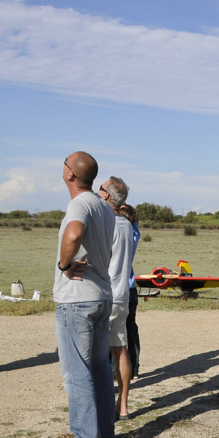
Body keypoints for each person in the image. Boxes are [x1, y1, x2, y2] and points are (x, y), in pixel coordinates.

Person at [51, 151, 116, 438]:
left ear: (70, 175)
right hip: (103, 295)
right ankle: (104, 435)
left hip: (78, 299)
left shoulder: (79, 204)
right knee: (101, 369)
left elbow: (74, 233)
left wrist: (65, 265)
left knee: (76, 372)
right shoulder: (104, 206)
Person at [97, 177, 135, 420]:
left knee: (98, 355)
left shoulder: (105, 223)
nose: (97, 192)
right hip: (123, 295)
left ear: (107, 196)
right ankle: (123, 406)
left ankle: (101, 407)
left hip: (104, 295)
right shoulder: (127, 225)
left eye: (100, 189)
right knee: (121, 351)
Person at [120, 203, 141, 380]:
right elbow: (136, 225)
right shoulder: (134, 236)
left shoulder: (114, 235)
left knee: (112, 331)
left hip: (116, 290)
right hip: (131, 288)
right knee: (131, 329)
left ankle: (114, 367)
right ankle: (134, 367)